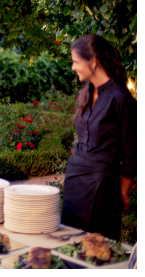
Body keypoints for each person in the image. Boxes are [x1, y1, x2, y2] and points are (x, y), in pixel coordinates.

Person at [61, 34, 136, 241]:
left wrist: (122, 192)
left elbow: (132, 152)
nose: (73, 67)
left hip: (102, 186)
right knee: (70, 244)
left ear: (93, 62)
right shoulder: (85, 94)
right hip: (75, 181)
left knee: (97, 250)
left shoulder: (121, 98)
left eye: (76, 61)